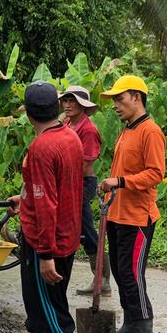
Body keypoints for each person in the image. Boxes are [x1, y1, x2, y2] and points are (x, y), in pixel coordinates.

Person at [7, 81, 83, 333]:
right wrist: (23, 201)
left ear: (28, 113)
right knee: (39, 304)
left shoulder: (41, 147)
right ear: (55, 107)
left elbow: (47, 203)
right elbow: (53, 190)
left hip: (47, 241)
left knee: (50, 306)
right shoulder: (69, 136)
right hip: (65, 233)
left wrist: (45, 253)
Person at [99, 75, 166, 333]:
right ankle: (129, 320)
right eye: (114, 99)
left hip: (138, 217)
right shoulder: (128, 129)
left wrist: (121, 182)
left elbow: (156, 173)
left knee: (132, 274)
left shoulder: (150, 131)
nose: (115, 105)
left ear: (136, 97)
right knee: (118, 269)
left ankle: (144, 328)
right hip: (117, 213)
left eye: (119, 98)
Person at [58, 86, 112, 296]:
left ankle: (103, 279)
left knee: (85, 228)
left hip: (82, 182)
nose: (68, 105)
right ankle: (102, 279)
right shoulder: (67, 123)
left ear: (83, 105)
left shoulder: (88, 129)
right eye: (66, 101)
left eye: (73, 101)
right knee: (83, 227)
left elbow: (87, 162)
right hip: (69, 181)